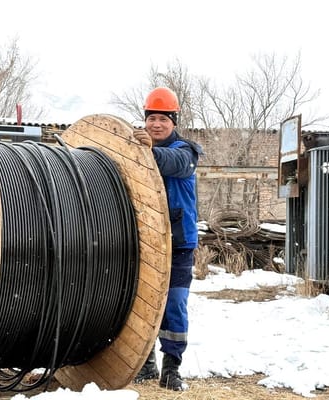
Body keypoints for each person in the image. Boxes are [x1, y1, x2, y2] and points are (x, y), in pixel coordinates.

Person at [133, 87, 203, 391]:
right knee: (140, 302)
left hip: (178, 244)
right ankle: (145, 364)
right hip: (143, 242)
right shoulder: (137, 148)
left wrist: (147, 149)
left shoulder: (186, 152)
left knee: (173, 303)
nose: (156, 124)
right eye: (152, 118)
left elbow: (171, 162)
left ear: (173, 121)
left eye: (163, 119)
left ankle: (172, 367)